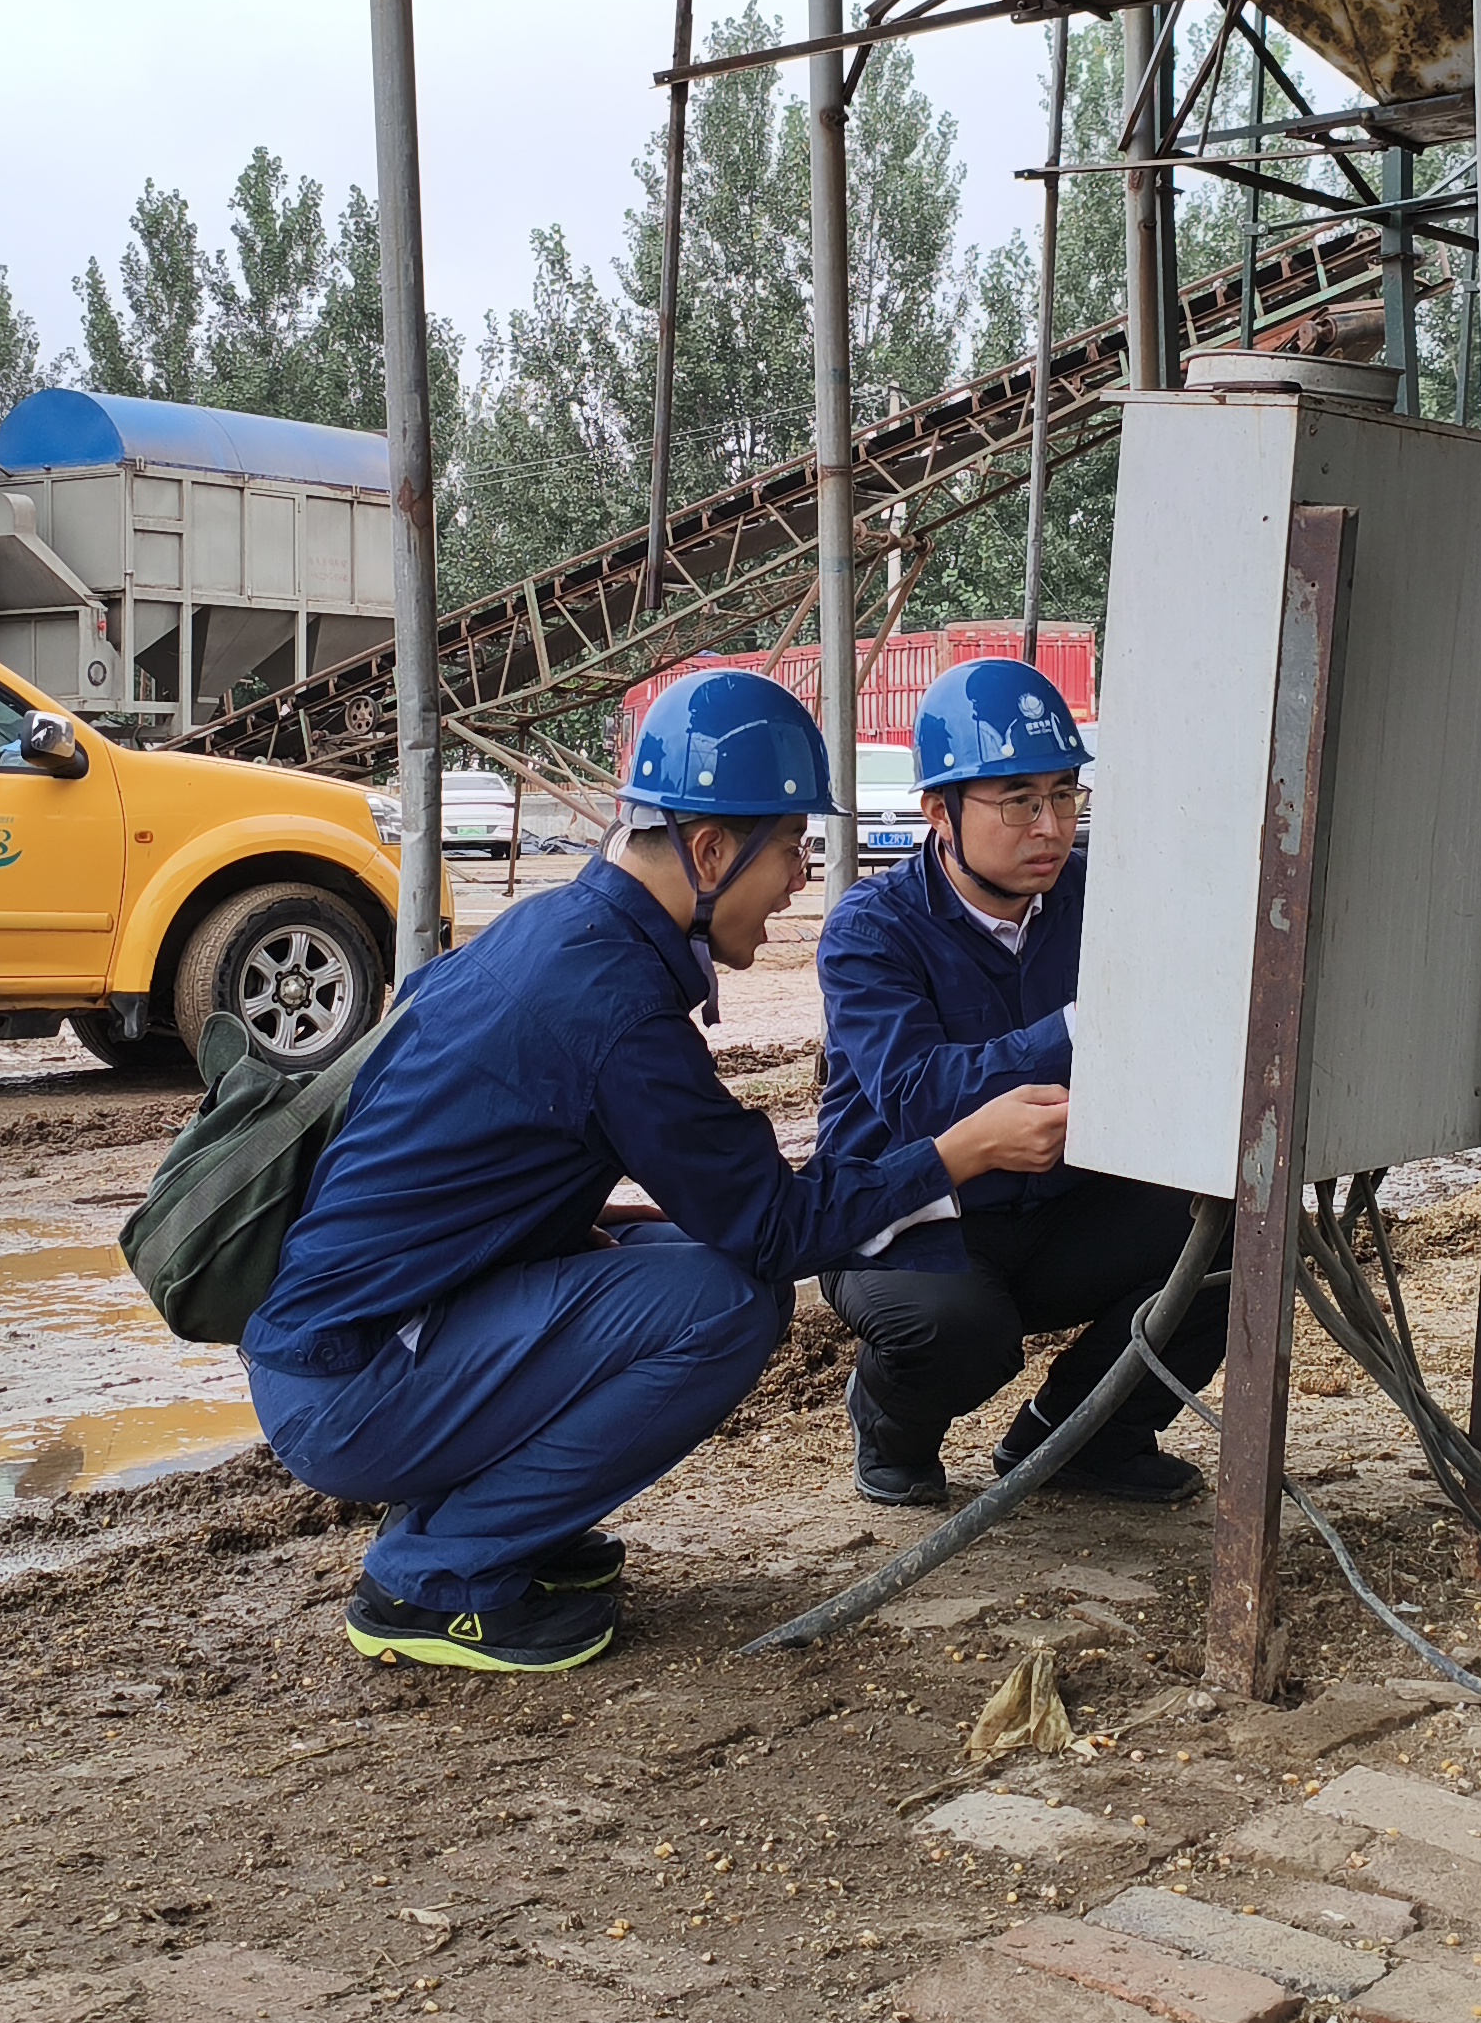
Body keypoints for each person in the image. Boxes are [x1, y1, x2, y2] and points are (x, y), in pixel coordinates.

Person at [240, 668, 1069, 1674]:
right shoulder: (616, 1002)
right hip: (353, 1384)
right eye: (791, 846)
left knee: (676, 1251)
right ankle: (434, 1575)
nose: (801, 877)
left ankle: (500, 1521)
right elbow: (773, 1227)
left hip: (361, 1335)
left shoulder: (559, 933)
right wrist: (961, 1150)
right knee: (726, 1301)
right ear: (709, 851)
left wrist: (556, 1230)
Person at [813, 657, 1227, 1508]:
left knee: (1233, 1246)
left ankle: (1081, 1436)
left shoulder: (1100, 898)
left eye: (1065, 794)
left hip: (1060, 1201)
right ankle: (890, 1424)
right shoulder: (872, 930)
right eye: (1018, 802)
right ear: (939, 812)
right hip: (913, 1216)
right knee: (959, 1332)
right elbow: (917, 1095)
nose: (1051, 826)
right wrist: (1080, 1026)